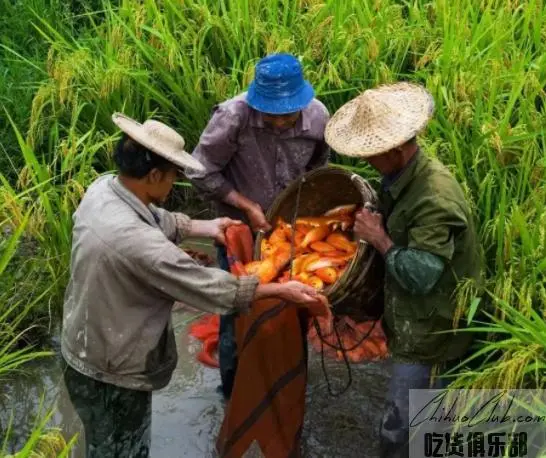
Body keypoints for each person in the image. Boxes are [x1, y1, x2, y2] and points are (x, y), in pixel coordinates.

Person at [60, 113, 323, 458]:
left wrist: (206, 227)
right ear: (153, 175)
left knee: (101, 442)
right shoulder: (142, 246)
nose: (173, 187)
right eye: (171, 178)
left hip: (81, 342)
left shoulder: (105, 189)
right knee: (122, 450)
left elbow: (153, 218)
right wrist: (280, 291)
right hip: (111, 368)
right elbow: (210, 288)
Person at [324, 82, 482, 458]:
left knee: (402, 423)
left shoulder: (434, 197)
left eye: (371, 154)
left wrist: (379, 239)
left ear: (395, 151)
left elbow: (422, 275)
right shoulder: (401, 177)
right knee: (425, 413)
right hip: (414, 316)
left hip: (434, 326)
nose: (366, 162)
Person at [186, 53, 330, 399]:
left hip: (290, 231)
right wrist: (246, 205)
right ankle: (234, 391)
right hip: (237, 230)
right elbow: (198, 170)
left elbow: (318, 171)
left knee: (294, 305)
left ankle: (287, 383)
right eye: (272, 114)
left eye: (288, 115)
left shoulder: (318, 117)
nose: (280, 123)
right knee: (236, 309)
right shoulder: (233, 117)